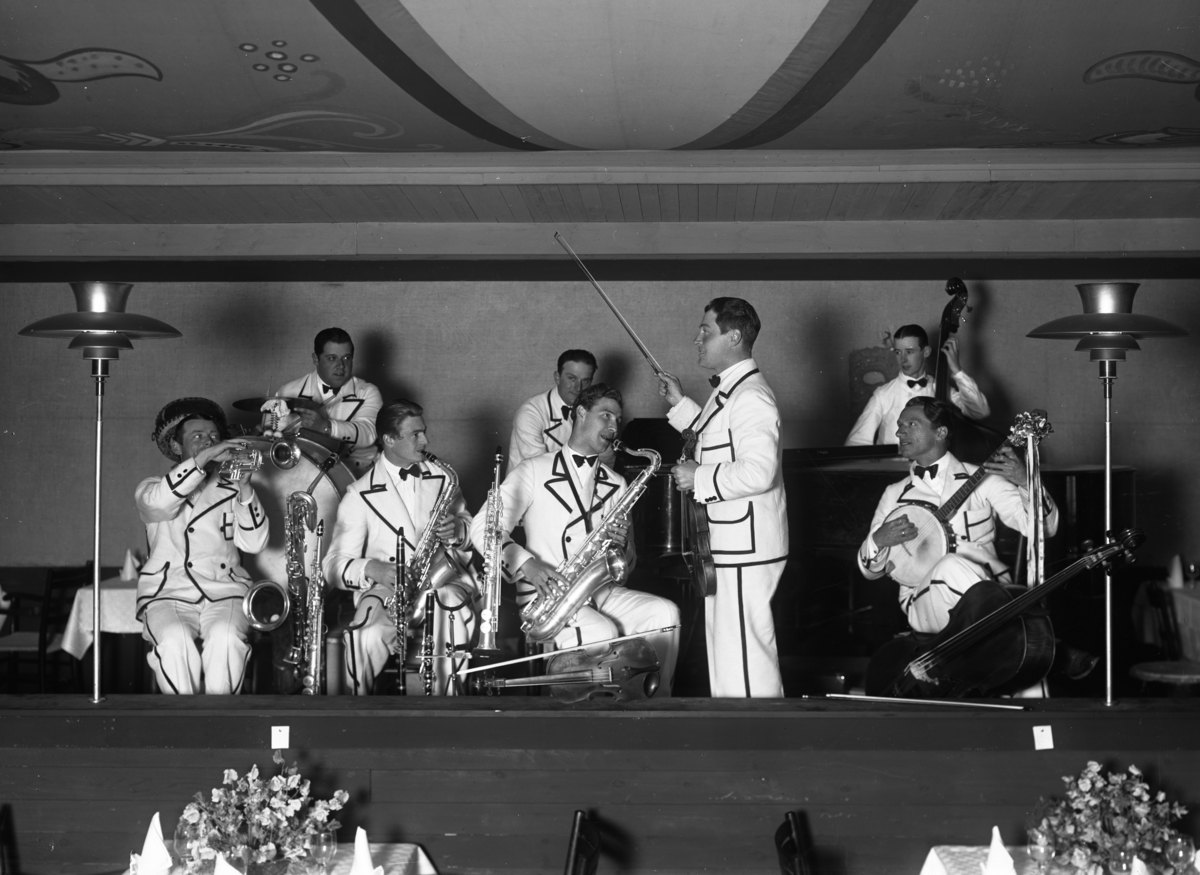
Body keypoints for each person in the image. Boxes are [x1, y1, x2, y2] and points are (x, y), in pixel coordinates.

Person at [473, 383, 680, 693]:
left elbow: (626, 565)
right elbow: (483, 527)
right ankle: (596, 715)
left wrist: (623, 545)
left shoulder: (618, 483)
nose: (613, 426)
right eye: (605, 415)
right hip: (548, 596)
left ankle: (652, 705)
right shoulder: (533, 469)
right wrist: (528, 565)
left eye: (617, 419)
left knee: (665, 614)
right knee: (600, 631)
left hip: (599, 591)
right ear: (581, 413)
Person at [658, 298, 788, 698]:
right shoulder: (731, 392)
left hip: (746, 547)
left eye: (706, 331)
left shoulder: (751, 396)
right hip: (730, 544)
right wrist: (680, 404)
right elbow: (713, 434)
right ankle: (739, 726)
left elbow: (759, 471)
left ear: (733, 337)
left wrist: (699, 477)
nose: (697, 339)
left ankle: (757, 730)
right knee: (730, 652)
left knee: (746, 655)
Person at [858, 397, 1059, 635]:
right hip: (924, 599)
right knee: (950, 565)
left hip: (992, 587)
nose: (899, 432)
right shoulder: (894, 494)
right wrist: (878, 540)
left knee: (954, 568)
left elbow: (1045, 528)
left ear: (940, 432)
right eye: (900, 425)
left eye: (911, 424)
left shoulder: (984, 479)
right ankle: (1019, 631)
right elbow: (870, 572)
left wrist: (1026, 483)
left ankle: (1001, 630)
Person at [322, 399, 478, 695]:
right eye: (415, 434)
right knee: (364, 635)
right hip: (387, 589)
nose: (425, 441)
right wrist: (372, 568)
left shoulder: (443, 478)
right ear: (389, 440)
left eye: (424, 432)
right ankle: (360, 710)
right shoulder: (358, 494)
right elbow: (333, 565)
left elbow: (471, 529)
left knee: (452, 614)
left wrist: (458, 529)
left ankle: (448, 705)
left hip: (440, 582)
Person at [135, 397, 269, 694]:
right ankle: (185, 718)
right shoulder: (152, 488)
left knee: (226, 637)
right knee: (174, 640)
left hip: (225, 590)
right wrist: (205, 457)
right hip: (167, 592)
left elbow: (255, 543)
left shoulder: (232, 488)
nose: (209, 441)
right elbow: (160, 504)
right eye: (198, 437)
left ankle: (221, 717)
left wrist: (245, 488)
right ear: (176, 446)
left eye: (213, 436)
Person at [845, 325, 990, 447]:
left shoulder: (939, 387)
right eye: (898, 352)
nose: (903, 359)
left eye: (909, 352)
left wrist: (957, 371)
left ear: (926, 352)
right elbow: (856, 442)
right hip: (895, 468)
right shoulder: (882, 395)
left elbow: (980, 411)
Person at [275, 327, 383, 472]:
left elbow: (368, 433)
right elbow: (275, 438)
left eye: (346, 358)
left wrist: (326, 427)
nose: (341, 366)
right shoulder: (288, 392)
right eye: (332, 358)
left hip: (358, 470)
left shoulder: (368, 392)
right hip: (306, 469)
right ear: (315, 359)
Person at [507, 349, 598, 470]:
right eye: (572, 378)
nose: (578, 388)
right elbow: (539, 468)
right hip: (532, 480)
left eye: (585, 381)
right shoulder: (531, 412)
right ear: (557, 377)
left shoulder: (593, 412)